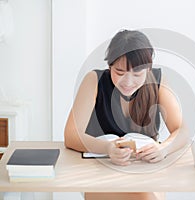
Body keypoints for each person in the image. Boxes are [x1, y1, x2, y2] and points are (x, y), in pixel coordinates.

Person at [64, 29, 188, 200]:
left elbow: (182, 130)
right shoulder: (94, 80)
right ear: (110, 66)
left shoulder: (158, 81)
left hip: (145, 170)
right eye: (120, 73)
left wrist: (164, 148)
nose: (128, 82)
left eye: (137, 74)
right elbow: (71, 135)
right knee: (144, 196)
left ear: (148, 69)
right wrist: (107, 148)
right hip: (100, 171)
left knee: (146, 193)